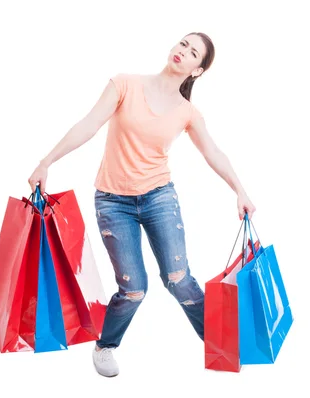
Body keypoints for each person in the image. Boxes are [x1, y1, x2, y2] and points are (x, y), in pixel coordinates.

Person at [28, 32, 256, 377]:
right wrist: (46, 162)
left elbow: (212, 152)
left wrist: (239, 189)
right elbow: (88, 125)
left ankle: (220, 345)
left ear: (197, 71)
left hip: (158, 197)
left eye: (193, 52)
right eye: (183, 43)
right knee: (134, 290)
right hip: (112, 201)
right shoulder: (125, 84)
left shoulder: (187, 112)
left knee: (179, 280)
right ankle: (105, 346)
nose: (183, 51)